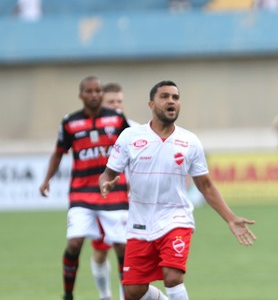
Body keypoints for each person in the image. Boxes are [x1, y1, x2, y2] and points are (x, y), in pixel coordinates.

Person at [99, 80, 256, 300]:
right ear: (151, 104)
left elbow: (206, 185)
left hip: (176, 219)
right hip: (139, 223)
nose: (171, 101)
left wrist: (230, 218)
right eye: (164, 96)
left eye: (175, 97)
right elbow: (108, 173)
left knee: (172, 277)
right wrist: (105, 182)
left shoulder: (190, 141)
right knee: (133, 292)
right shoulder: (130, 137)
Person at [39, 76, 130, 300]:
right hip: (82, 193)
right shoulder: (70, 122)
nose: (94, 94)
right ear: (81, 95)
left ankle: (127, 296)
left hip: (114, 193)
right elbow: (59, 152)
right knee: (75, 242)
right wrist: (47, 179)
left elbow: (132, 149)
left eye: (98, 90)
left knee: (122, 247)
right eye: (89, 91)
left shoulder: (117, 119)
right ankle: (68, 295)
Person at [89, 82, 139, 300]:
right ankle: (104, 295)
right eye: (111, 102)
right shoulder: (90, 130)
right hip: (98, 201)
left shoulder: (134, 129)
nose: (116, 106)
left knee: (124, 250)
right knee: (100, 252)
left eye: (119, 101)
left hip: (126, 202)